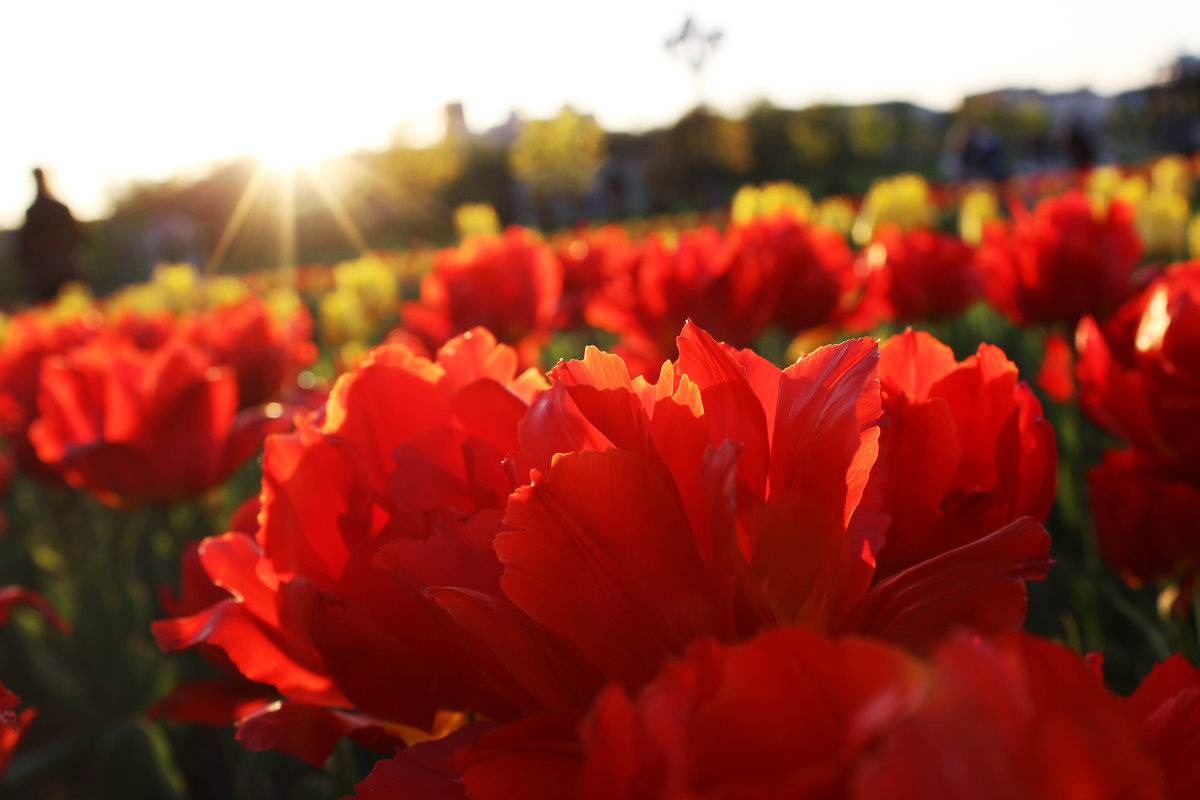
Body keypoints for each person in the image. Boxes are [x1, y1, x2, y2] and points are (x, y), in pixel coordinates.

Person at [16, 168, 85, 303]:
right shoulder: (48, 210)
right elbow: (79, 236)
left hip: (50, 275)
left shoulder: (34, 212)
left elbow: (22, 248)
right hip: (57, 273)